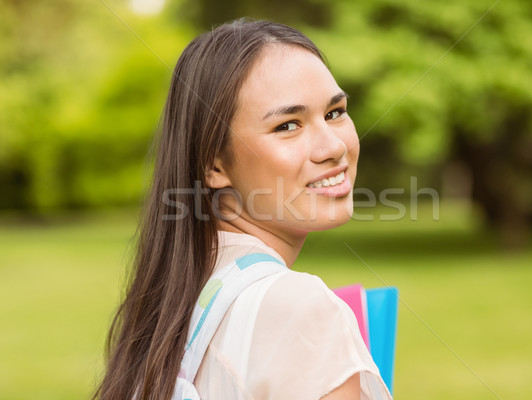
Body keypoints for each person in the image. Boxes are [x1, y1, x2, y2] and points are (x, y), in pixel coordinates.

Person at [93, 19, 393, 400]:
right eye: (288, 125)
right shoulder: (301, 309)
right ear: (214, 165)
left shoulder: (174, 306)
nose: (333, 147)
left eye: (335, 112)